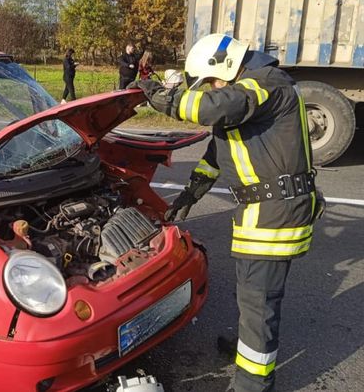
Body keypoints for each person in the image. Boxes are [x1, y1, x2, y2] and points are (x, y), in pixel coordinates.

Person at [131, 33, 324, 392]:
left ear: (226, 66)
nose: (211, 89)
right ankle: (252, 348)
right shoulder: (249, 101)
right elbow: (217, 156)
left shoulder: (266, 85)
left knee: (258, 300)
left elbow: (213, 107)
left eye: (211, 81)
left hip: (273, 216)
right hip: (269, 210)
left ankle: (252, 383)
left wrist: (165, 99)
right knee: (255, 299)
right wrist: (191, 193)